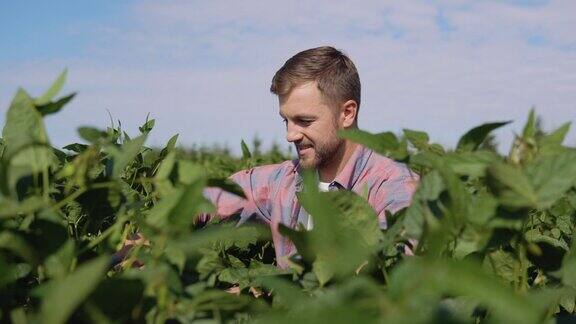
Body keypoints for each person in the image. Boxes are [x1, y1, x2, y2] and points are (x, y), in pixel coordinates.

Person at [199, 46, 419, 268]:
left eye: (304, 121)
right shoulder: (285, 181)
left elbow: (384, 273)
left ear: (347, 113)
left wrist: (263, 296)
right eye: (286, 121)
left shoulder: (393, 186)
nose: (290, 135)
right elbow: (209, 197)